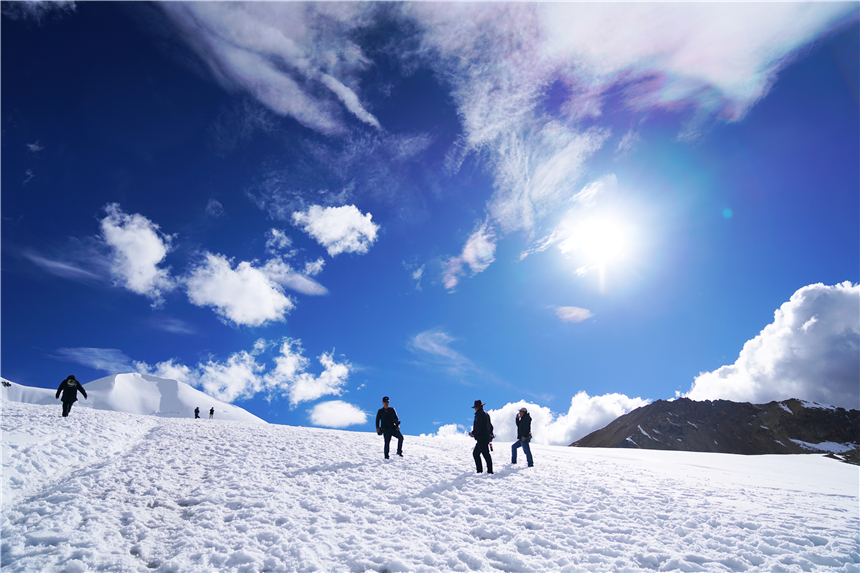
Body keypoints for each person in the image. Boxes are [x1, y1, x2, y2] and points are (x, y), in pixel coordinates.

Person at [469, 400, 494, 474]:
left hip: (481, 437)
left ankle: (488, 471)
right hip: (486, 437)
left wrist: (473, 433)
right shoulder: (486, 414)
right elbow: (490, 426)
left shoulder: (479, 414)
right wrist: (491, 436)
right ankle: (481, 470)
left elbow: (478, 426)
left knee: (484, 454)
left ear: (476, 407)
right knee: (477, 454)